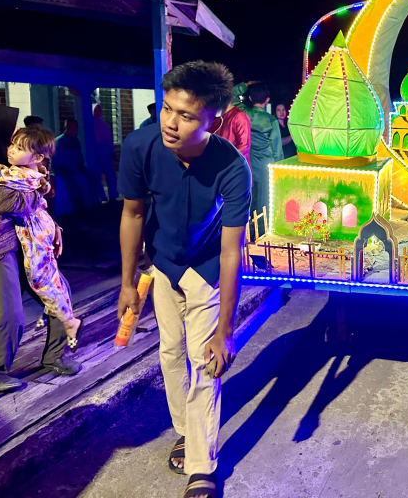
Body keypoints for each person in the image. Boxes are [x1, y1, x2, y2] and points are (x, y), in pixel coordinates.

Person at [118, 61, 251, 498]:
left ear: (215, 118)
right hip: (162, 265)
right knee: (170, 353)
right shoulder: (141, 145)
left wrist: (225, 330)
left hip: (208, 269)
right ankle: (184, 431)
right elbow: (133, 213)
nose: (171, 123)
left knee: (205, 362)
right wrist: (126, 283)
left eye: (187, 115)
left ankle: (202, 468)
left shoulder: (232, 168)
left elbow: (233, 250)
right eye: (168, 109)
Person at [0, 105, 78, 396]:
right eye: (11, 135)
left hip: (23, 244)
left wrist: (54, 227)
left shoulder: (6, 169)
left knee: (58, 292)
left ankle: (55, 356)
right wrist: (33, 187)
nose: (15, 141)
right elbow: (16, 204)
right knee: (11, 312)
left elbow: (33, 196)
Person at [233, 82, 283, 234]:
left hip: (247, 164)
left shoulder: (244, 113)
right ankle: (262, 231)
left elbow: (231, 96)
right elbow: (277, 150)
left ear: (249, 97)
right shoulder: (271, 121)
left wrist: (245, 84)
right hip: (266, 166)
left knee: (248, 197)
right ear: (267, 100)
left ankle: (247, 231)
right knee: (265, 200)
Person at [53, 118, 96, 212]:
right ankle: (78, 210)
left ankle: (94, 204)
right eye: (71, 128)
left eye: (75, 128)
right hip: (63, 171)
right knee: (75, 185)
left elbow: (79, 156)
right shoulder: (59, 142)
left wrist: (81, 166)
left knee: (92, 177)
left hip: (75, 169)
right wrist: (65, 170)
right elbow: (55, 161)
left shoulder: (76, 141)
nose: (74, 130)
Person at [92, 103, 118, 202]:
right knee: (97, 176)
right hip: (95, 154)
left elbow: (109, 140)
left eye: (99, 110)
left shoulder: (105, 125)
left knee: (110, 175)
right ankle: (101, 196)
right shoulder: (89, 125)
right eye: (96, 110)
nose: (98, 113)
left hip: (106, 153)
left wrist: (112, 151)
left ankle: (113, 195)